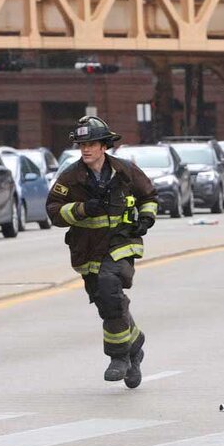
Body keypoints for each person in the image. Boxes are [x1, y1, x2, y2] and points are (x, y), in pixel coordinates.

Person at [46, 116, 158, 388]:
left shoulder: (126, 171)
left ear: (104, 146)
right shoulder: (70, 177)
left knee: (109, 287)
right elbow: (53, 212)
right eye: (82, 144)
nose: (86, 149)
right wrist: (83, 209)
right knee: (107, 303)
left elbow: (149, 196)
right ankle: (135, 346)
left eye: (91, 144)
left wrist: (146, 218)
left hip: (121, 243)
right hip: (88, 249)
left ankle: (118, 357)